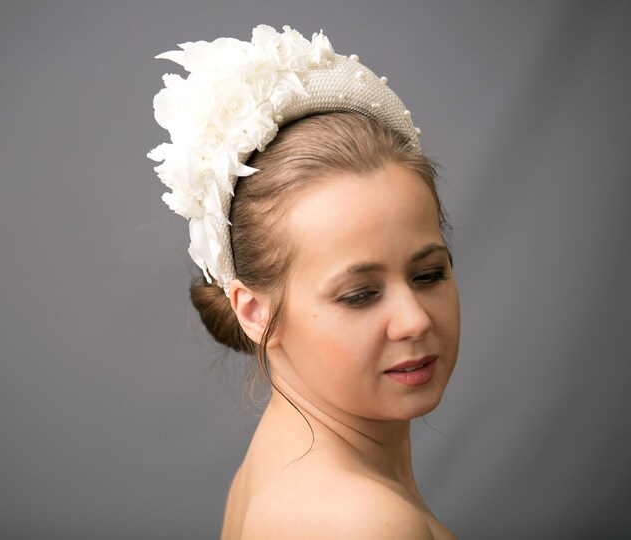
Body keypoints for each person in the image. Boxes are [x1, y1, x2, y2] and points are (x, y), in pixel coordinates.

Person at [150, 25, 460, 539]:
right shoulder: (359, 521)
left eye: (429, 274)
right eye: (360, 295)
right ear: (255, 312)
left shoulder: (284, 468)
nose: (414, 320)